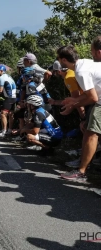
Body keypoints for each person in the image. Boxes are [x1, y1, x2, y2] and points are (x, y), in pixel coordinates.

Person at [57, 43, 101, 181]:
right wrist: (72, 101)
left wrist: (72, 105)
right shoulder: (85, 63)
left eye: (59, 59)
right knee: (89, 132)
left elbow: (93, 98)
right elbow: (92, 92)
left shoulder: (80, 72)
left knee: (90, 134)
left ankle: (81, 172)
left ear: (64, 60)